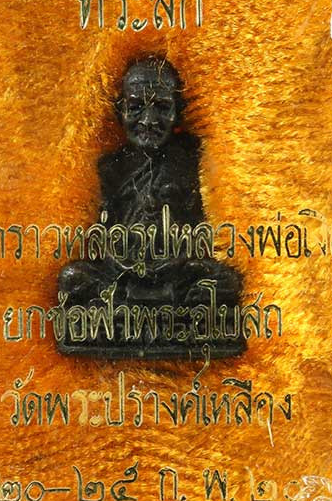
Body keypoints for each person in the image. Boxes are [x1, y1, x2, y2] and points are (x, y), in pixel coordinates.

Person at [58, 55, 243, 357]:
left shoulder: (192, 161)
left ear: (178, 112)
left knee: (226, 283)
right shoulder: (110, 167)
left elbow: (203, 230)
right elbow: (103, 236)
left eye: (161, 107)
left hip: (178, 276)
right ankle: (148, 314)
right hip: (122, 277)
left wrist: (182, 263)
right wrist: (123, 267)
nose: (147, 120)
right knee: (72, 278)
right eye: (135, 107)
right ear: (120, 111)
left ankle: (149, 314)